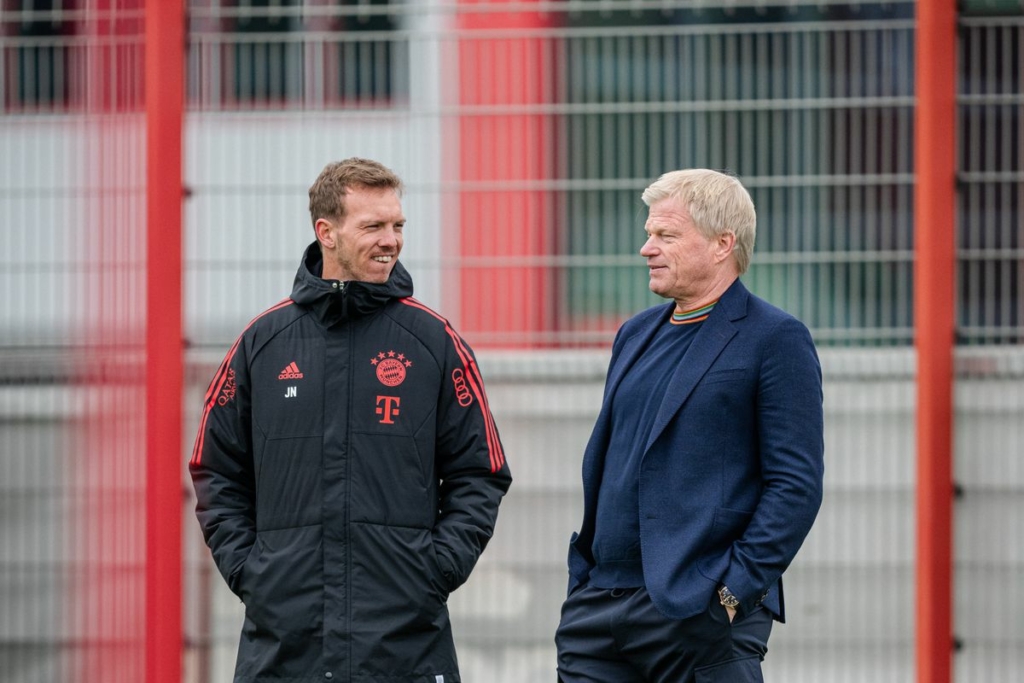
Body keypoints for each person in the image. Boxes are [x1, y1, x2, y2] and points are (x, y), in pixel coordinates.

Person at [189, 157, 511, 682]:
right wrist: (252, 570)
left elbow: (483, 471)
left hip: (403, 647)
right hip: (284, 648)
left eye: (398, 225)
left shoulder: (433, 341)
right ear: (327, 233)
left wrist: (435, 569)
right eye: (374, 226)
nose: (392, 240)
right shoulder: (261, 343)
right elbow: (214, 469)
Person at [555, 169, 824, 682]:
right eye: (649, 233)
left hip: (699, 616)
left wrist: (732, 592)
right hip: (598, 612)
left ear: (723, 244)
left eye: (666, 235)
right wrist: (584, 582)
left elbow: (796, 485)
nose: (646, 248)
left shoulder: (776, 339)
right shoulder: (635, 334)